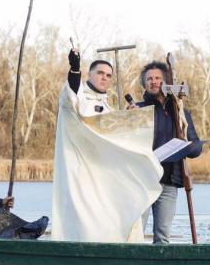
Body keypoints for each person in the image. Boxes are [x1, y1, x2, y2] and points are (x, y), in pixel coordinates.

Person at [51, 48, 163, 243]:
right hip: (81, 171)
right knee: (87, 220)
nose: (104, 78)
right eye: (100, 73)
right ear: (89, 74)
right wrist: (75, 69)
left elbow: (115, 138)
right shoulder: (78, 99)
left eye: (109, 75)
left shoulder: (107, 107)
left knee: (121, 212)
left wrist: (129, 120)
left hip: (104, 173)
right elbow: (73, 95)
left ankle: (120, 250)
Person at [135, 61, 203, 244]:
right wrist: (129, 119)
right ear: (145, 84)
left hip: (169, 181)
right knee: (135, 233)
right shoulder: (138, 110)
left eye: (157, 78)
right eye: (149, 79)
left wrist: (190, 147)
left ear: (166, 82)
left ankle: (159, 262)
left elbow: (195, 147)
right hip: (142, 180)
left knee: (163, 236)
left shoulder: (180, 112)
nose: (153, 81)